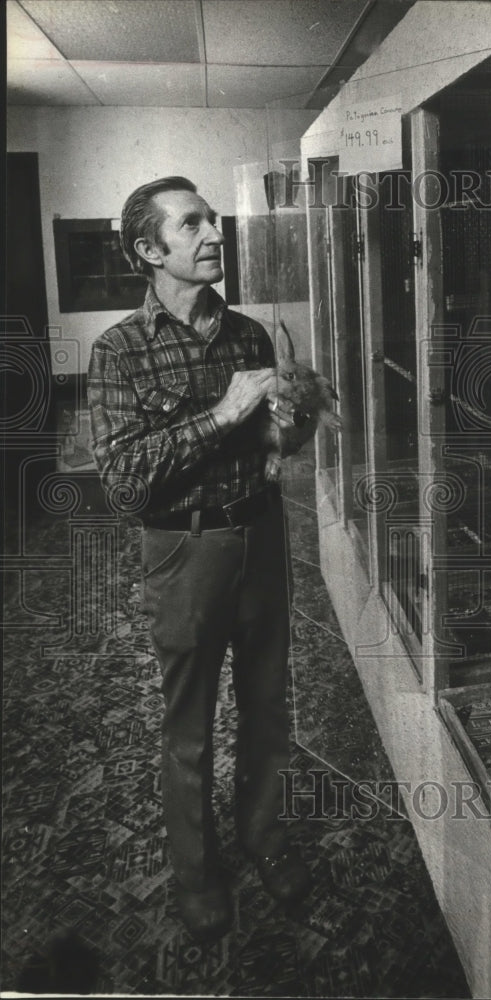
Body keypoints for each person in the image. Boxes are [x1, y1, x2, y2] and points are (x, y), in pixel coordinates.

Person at [88, 176, 311, 942]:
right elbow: (123, 483)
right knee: (188, 723)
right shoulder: (119, 351)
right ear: (149, 250)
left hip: (262, 537)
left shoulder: (248, 335)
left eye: (213, 219)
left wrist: (290, 425)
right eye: (192, 224)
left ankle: (265, 835)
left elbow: (274, 444)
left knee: (268, 703)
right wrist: (222, 414)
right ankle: (195, 872)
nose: (215, 233)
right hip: (182, 551)